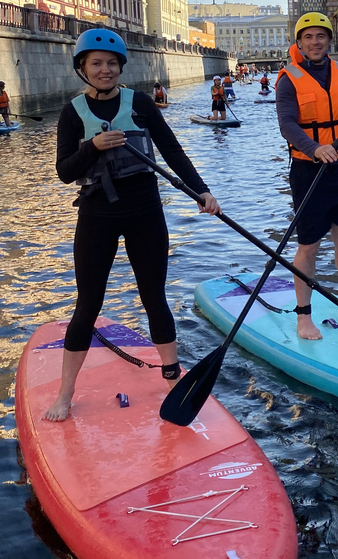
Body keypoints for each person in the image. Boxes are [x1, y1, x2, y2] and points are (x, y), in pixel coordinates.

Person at [45, 29, 220, 421]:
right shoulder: (72, 113)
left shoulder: (140, 103)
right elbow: (63, 172)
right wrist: (93, 146)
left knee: (153, 296)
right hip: (96, 217)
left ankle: (173, 378)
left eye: (112, 64)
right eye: (96, 64)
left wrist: (202, 192)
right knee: (87, 304)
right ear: (82, 69)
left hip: (145, 212)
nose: (105, 70)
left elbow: (172, 150)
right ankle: (65, 393)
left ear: (121, 67)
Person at [275, 12, 338, 341]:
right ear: (299, 42)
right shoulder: (289, 78)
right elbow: (287, 125)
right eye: (308, 37)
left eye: (320, 36)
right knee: (309, 246)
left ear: (330, 40)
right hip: (308, 170)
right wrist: (315, 148)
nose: (314, 42)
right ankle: (304, 318)